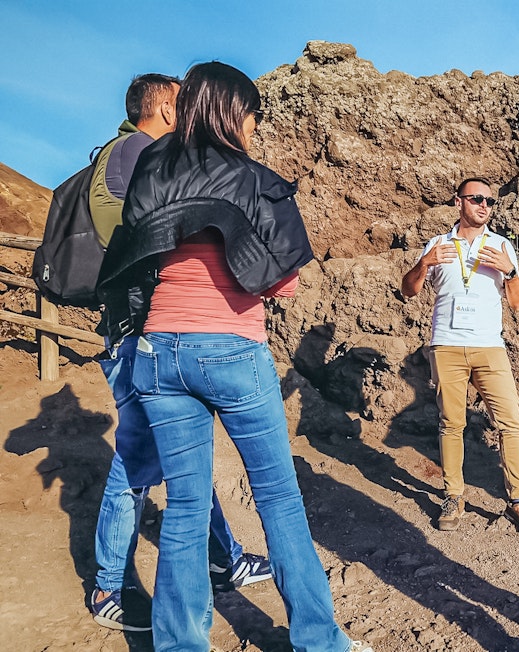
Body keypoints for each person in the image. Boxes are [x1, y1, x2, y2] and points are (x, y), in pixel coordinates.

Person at [97, 62, 370, 652]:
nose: (252, 127)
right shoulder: (251, 177)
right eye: (249, 114)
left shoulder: (152, 166)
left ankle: (180, 644)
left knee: (186, 505)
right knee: (278, 495)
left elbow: (137, 254)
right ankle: (319, 642)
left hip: (157, 354)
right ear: (230, 112)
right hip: (230, 348)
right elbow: (282, 282)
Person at [88, 73, 271, 633]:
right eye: (182, 99)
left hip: (150, 331)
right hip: (145, 334)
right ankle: (106, 587)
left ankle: (224, 557)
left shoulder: (123, 154)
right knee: (135, 464)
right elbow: (139, 238)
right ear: (167, 106)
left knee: (179, 460)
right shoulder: (139, 153)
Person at [401, 177, 519, 539]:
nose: (484, 206)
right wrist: (424, 262)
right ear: (458, 202)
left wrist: (509, 270)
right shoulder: (438, 244)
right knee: (452, 423)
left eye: (490, 202)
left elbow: (518, 302)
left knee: (510, 422)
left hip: (489, 346)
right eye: (477, 199)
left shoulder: (501, 246)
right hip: (447, 345)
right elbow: (407, 291)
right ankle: (453, 496)